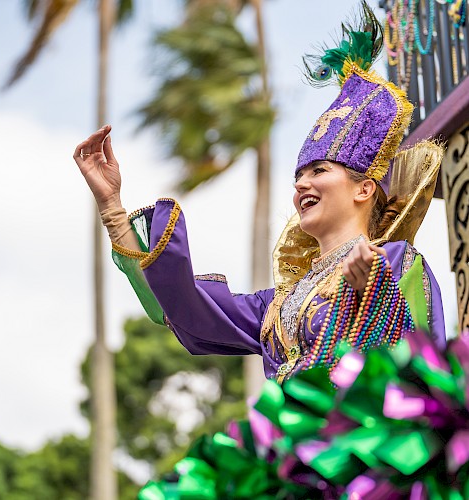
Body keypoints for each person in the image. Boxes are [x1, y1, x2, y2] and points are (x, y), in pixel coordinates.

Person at [73, 3, 445, 384]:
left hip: (360, 438)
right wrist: (111, 209)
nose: (301, 185)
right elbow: (183, 308)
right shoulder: (277, 305)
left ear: (365, 188)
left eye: (319, 171)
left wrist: (375, 292)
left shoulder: (398, 260)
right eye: (298, 176)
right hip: (288, 443)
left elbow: (424, 369)